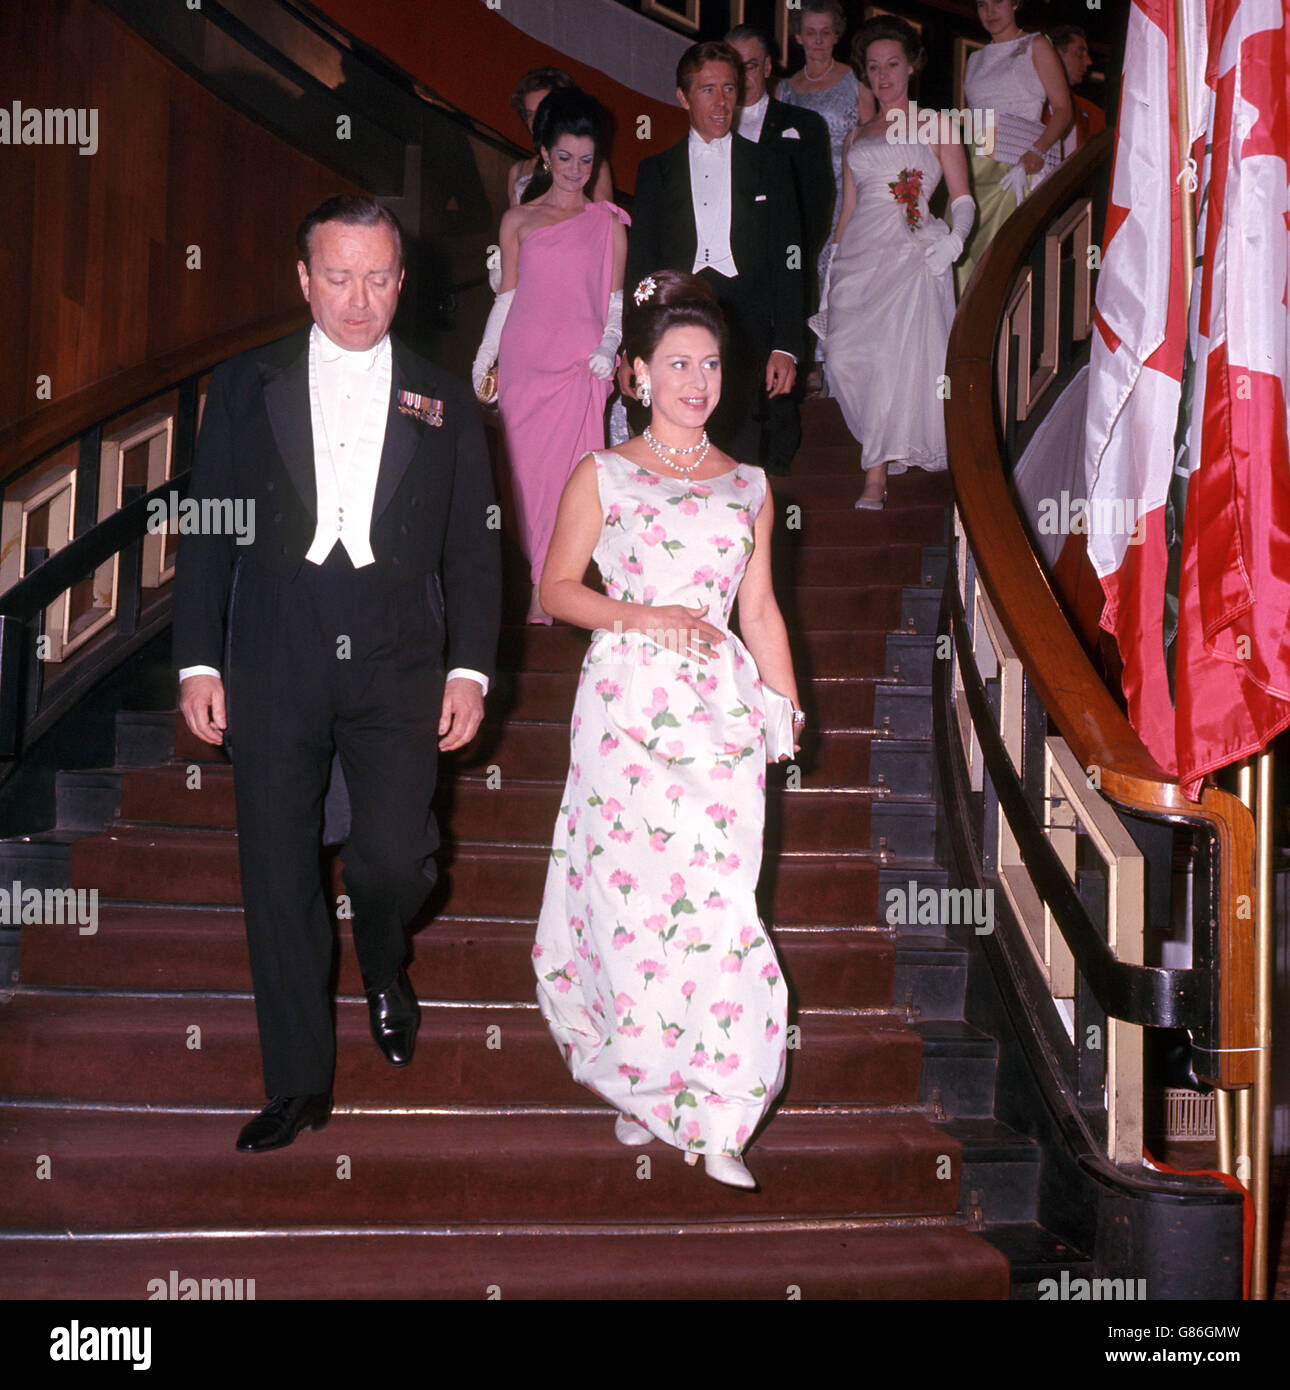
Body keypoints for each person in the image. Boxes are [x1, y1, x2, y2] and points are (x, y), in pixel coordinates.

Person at [174, 195, 502, 1153]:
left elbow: (476, 552)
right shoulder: (246, 385)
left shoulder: (444, 399)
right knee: (278, 869)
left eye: (378, 278)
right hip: (274, 641)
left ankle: (387, 962)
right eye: (338, 277)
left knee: (392, 858)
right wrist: (199, 656)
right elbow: (209, 533)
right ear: (304, 279)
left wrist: (472, 668)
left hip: (400, 649)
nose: (359, 301)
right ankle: (297, 1084)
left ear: (403, 281)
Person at [533, 270, 801, 1191]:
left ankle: (721, 1110)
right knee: (629, 903)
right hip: (623, 710)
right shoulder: (602, 472)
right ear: (637, 375)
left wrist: (783, 704)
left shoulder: (752, 485)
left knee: (722, 906)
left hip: (717, 718)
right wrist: (643, 618)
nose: (697, 380)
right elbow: (557, 589)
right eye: (677, 363)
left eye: (711, 364)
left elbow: (759, 610)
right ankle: (645, 1085)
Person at [472, 90, 629, 623]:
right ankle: (544, 583)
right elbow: (508, 295)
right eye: (564, 157)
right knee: (524, 485)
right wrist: (485, 354)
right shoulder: (517, 221)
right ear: (543, 154)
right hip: (525, 366)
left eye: (586, 160)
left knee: (570, 484)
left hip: (580, 369)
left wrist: (609, 346)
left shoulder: (608, 223)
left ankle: (547, 593)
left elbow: (613, 302)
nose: (575, 170)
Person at [813, 17, 973, 509]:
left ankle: (875, 475)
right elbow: (848, 211)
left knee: (889, 362)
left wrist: (956, 240)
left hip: (911, 252)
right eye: (874, 68)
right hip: (860, 255)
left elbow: (964, 198)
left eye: (893, 65)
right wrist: (830, 270)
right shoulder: (856, 134)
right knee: (842, 357)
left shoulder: (935, 123)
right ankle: (878, 455)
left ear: (912, 66)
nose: (883, 77)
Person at [625, 42, 804, 474]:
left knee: (741, 463)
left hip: (748, 332)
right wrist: (632, 349)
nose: (721, 102)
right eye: (708, 90)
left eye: (729, 88)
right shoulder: (654, 171)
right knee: (670, 455)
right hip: (674, 329)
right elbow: (640, 271)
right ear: (683, 97)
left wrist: (788, 346)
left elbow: (791, 261)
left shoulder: (771, 165)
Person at [727, 23, 833, 470]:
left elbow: (818, 205)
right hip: (725, 279)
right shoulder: (709, 128)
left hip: (782, 275)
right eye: (731, 67)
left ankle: (774, 479)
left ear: (768, 68)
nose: (741, 76)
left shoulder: (802, 125)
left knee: (777, 391)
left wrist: (789, 264)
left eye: (749, 65)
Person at [955, 0, 1072, 293]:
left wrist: (1038, 150)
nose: (990, 11)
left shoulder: (1035, 45)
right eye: (982, 4)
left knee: (997, 262)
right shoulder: (975, 59)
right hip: (975, 169)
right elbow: (972, 120)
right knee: (962, 257)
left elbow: (1063, 109)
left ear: (1016, 3)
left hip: (1016, 166)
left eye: (998, 2)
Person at [776, 0, 877, 297]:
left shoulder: (857, 82)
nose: (818, 40)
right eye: (810, 32)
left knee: (840, 280)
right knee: (802, 280)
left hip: (847, 194)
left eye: (825, 32)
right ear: (798, 37)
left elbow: (872, 141)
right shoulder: (785, 89)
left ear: (836, 36)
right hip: (803, 198)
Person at [506, 67, 614, 208]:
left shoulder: (595, 166)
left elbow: (608, 224)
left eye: (543, 110)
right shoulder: (518, 170)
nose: (537, 120)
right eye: (531, 114)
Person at [1045, 25, 1106, 158]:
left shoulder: (1095, 115)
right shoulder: (1025, 99)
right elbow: (988, 151)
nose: (1089, 62)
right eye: (1079, 53)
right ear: (1054, 55)